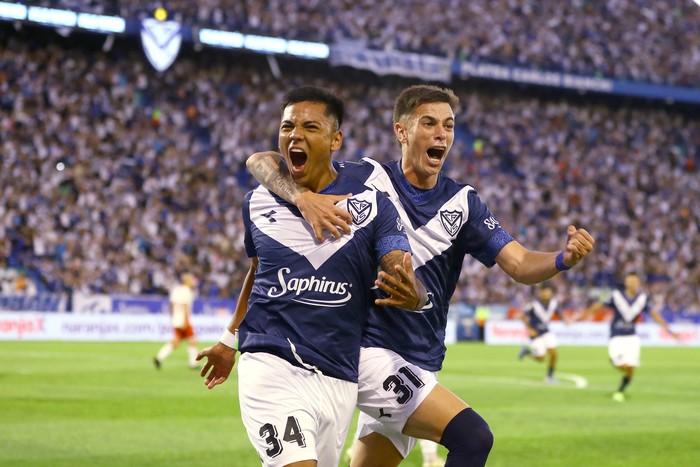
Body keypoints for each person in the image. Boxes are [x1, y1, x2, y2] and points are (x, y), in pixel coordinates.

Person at [245, 84, 595, 466]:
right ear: (402, 131)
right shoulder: (366, 177)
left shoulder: (464, 204)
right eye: (428, 123)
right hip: (370, 352)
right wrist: (301, 196)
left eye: (448, 125)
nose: (441, 133)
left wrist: (562, 259)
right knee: (473, 438)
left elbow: (521, 264)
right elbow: (262, 161)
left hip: (418, 358)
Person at [197, 86, 427, 467]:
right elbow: (257, 273)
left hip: (338, 375)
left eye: (309, 127)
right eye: (287, 126)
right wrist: (229, 339)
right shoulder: (257, 201)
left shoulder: (371, 206)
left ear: (336, 139)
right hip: (271, 364)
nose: (295, 135)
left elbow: (401, 269)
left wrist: (414, 294)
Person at [577, 272, 678, 402]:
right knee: (620, 363)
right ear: (626, 282)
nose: (632, 283)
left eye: (634, 281)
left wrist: (668, 329)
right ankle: (616, 363)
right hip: (617, 335)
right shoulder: (616, 296)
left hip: (632, 336)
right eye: (630, 280)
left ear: (638, 283)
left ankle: (620, 391)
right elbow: (599, 305)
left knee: (631, 368)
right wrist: (584, 315)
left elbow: (654, 314)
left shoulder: (642, 298)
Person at [518, 282, 569, 383]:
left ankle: (549, 376)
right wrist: (529, 329)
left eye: (549, 293)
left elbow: (559, 313)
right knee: (541, 359)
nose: (547, 294)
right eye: (544, 292)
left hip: (546, 332)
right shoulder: (533, 304)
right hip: (536, 334)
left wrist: (565, 320)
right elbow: (522, 316)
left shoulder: (553, 303)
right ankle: (527, 351)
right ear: (540, 292)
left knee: (554, 354)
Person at [154, 272, 199, 369]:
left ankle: (159, 357)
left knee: (176, 341)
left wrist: (172, 316)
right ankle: (193, 364)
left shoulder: (176, 290)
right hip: (183, 320)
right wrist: (186, 321)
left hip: (176, 319)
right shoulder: (187, 291)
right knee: (192, 340)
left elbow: (171, 304)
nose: (192, 282)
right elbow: (185, 306)